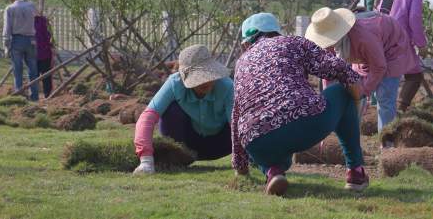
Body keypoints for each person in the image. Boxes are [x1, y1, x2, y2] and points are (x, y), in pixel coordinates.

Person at [232, 12, 367, 196]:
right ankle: (356, 172)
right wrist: (356, 87)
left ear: (247, 43)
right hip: (303, 122)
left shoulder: (240, 65)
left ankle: (273, 172)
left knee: (254, 128)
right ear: (276, 32)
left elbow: (236, 116)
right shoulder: (292, 43)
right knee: (341, 91)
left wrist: (240, 165)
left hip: (257, 142)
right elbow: (334, 66)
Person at [305, 7, 414, 134]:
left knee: (384, 98)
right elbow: (329, 71)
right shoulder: (328, 44)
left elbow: (379, 67)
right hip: (366, 54)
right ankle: (348, 134)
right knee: (354, 93)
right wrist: (328, 97)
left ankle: (387, 142)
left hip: (392, 49)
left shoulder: (363, 38)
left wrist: (363, 91)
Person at [133, 44, 234, 175]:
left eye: (208, 75)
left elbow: (237, 125)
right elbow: (147, 117)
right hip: (186, 146)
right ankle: (177, 158)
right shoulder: (174, 83)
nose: (206, 82)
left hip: (221, 144)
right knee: (171, 111)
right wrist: (146, 160)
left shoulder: (227, 86)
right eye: (200, 77)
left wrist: (243, 156)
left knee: (240, 117)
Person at [377, 0, 431, 112]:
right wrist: (421, 44)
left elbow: (379, 11)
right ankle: (400, 110)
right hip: (399, 40)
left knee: (386, 77)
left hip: (380, 38)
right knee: (414, 77)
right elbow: (414, 18)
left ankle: (391, 110)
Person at [2, 0, 40, 101]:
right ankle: (34, 97)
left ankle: (19, 95)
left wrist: (6, 45)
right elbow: (39, 22)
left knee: (17, 69)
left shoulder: (10, 8)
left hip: (17, 40)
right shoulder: (32, 6)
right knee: (33, 69)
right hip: (32, 40)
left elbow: (7, 29)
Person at [34, 14, 54, 98]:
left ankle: (35, 94)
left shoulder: (29, 21)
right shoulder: (43, 21)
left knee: (34, 75)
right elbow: (49, 37)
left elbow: (48, 36)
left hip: (35, 53)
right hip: (43, 52)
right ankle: (47, 94)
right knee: (45, 75)